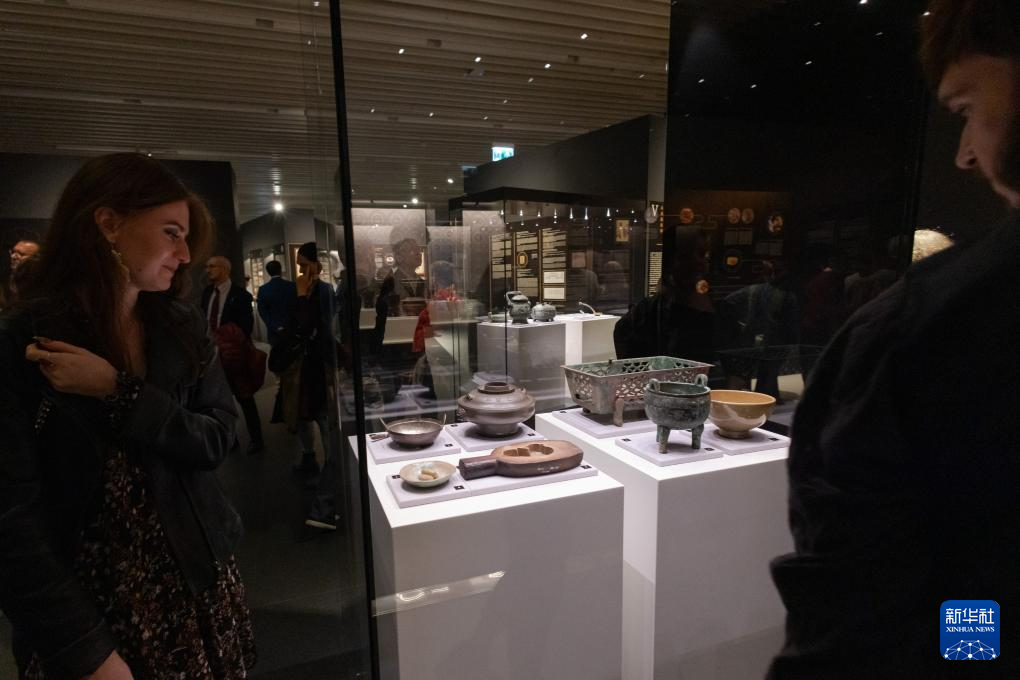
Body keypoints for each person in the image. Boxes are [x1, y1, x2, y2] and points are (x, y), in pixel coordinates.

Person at [767, 2, 1020, 676]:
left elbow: (867, 611)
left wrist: (974, 652)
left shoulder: (929, 328)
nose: (964, 153)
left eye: (966, 106)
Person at [0, 153, 255, 680]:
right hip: (94, 604)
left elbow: (217, 437)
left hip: (194, 579)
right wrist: (82, 649)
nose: (185, 254)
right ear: (108, 223)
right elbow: (12, 518)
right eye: (170, 233)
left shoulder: (181, 326)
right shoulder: (25, 339)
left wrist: (118, 391)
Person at [278, 241, 341, 530]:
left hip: (320, 365)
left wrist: (302, 299)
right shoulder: (306, 290)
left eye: (305, 265)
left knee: (326, 421)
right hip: (308, 365)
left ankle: (327, 493)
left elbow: (314, 327)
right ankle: (314, 463)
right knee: (307, 416)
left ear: (317, 264)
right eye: (300, 266)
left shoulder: (322, 291)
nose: (301, 271)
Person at [202, 255, 265, 455]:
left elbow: (245, 327)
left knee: (245, 398)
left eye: (212, 266)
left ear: (224, 269)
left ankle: (257, 439)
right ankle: (231, 439)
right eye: (207, 266)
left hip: (234, 355)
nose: (208, 270)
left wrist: (226, 339)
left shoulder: (241, 295)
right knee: (220, 400)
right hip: (213, 356)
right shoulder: (207, 293)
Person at [256, 259, 296, 346]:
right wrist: (286, 324)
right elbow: (295, 307)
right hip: (290, 328)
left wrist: (275, 326)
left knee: (276, 352)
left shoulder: (263, 289)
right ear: (280, 270)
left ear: (268, 272)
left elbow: (262, 311)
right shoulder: (292, 286)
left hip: (273, 331)